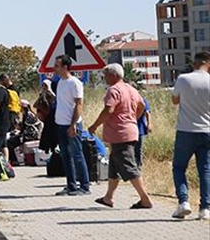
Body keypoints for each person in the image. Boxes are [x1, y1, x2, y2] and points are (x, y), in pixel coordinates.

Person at [87, 63, 152, 209]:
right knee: (114, 167)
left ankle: (145, 198)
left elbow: (108, 110)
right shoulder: (131, 89)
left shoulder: (114, 90)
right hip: (128, 131)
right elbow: (142, 105)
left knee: (129, 167)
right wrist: (132, 118)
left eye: (106, 76)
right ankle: (108, 197)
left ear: (113, 75)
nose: (104, 79)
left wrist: (94, 125)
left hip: (120, 133)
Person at [170, 51, 210, 220]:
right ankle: (205, 209)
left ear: (194, 63)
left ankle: (184, 202)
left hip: (186, 130)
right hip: (207, 130)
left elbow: (174, 100)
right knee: (205, 170)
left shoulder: (183, 79)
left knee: (179, 167)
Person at [54, 55, 91, 196]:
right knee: (65, 155)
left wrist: (73, 124)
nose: (54, 68)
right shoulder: (60, 82)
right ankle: (71, 185)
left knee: (77, 154)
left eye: (57, 65)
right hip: (60, 123)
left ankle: (85, 186)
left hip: (72, 124)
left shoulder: (74, 83)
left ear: (65, 67)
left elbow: (79, 104)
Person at [134, 83, 151, 167]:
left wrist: (149, 124)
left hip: (139, 128)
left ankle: (139, 166)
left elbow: (147, 112)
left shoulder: (141, 100)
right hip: (129, 129)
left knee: (138, 149)